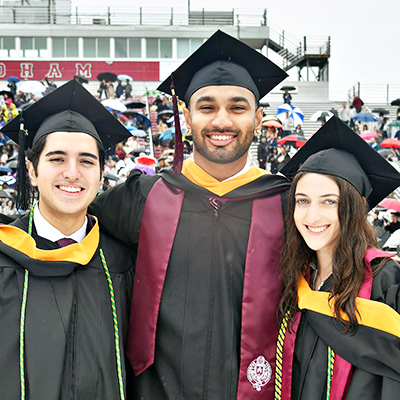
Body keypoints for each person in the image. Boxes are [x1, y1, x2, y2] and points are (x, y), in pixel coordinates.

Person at [89, 30, 290, 399]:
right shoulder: (143, 198)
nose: (222, 121)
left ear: (259, 118)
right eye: (207, 106)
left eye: (238, 107)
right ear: (187, 114)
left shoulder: (287, 205)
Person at [0, 80, 134, 399]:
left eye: (86, 161)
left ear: (102, 175)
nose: (72, 173)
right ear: (32, 170)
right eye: (57, 159)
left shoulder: (123, 263)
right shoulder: (5, 258)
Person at [276, 116, 400, 400]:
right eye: (302, 200)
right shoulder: (292, 281)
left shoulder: (385, 281)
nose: (312, 216)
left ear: (353, 208)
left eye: (329, 201)